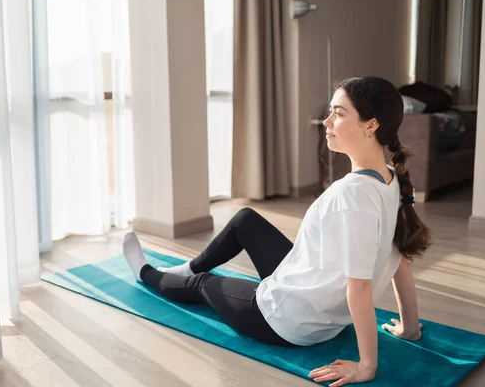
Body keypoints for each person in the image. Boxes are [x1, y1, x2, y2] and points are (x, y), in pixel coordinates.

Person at [121, 76, 432, 387]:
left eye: (339, 113)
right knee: (245, 221)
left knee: (203, 284)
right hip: (314, 299)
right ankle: (185, 267)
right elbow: (400, 260)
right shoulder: (391, 179)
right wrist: (410, 328)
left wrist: (367, 366)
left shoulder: (351, 195)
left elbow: (360, 287)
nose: (326, 121)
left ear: (371, 125)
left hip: (287, 321)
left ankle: (146, 273)